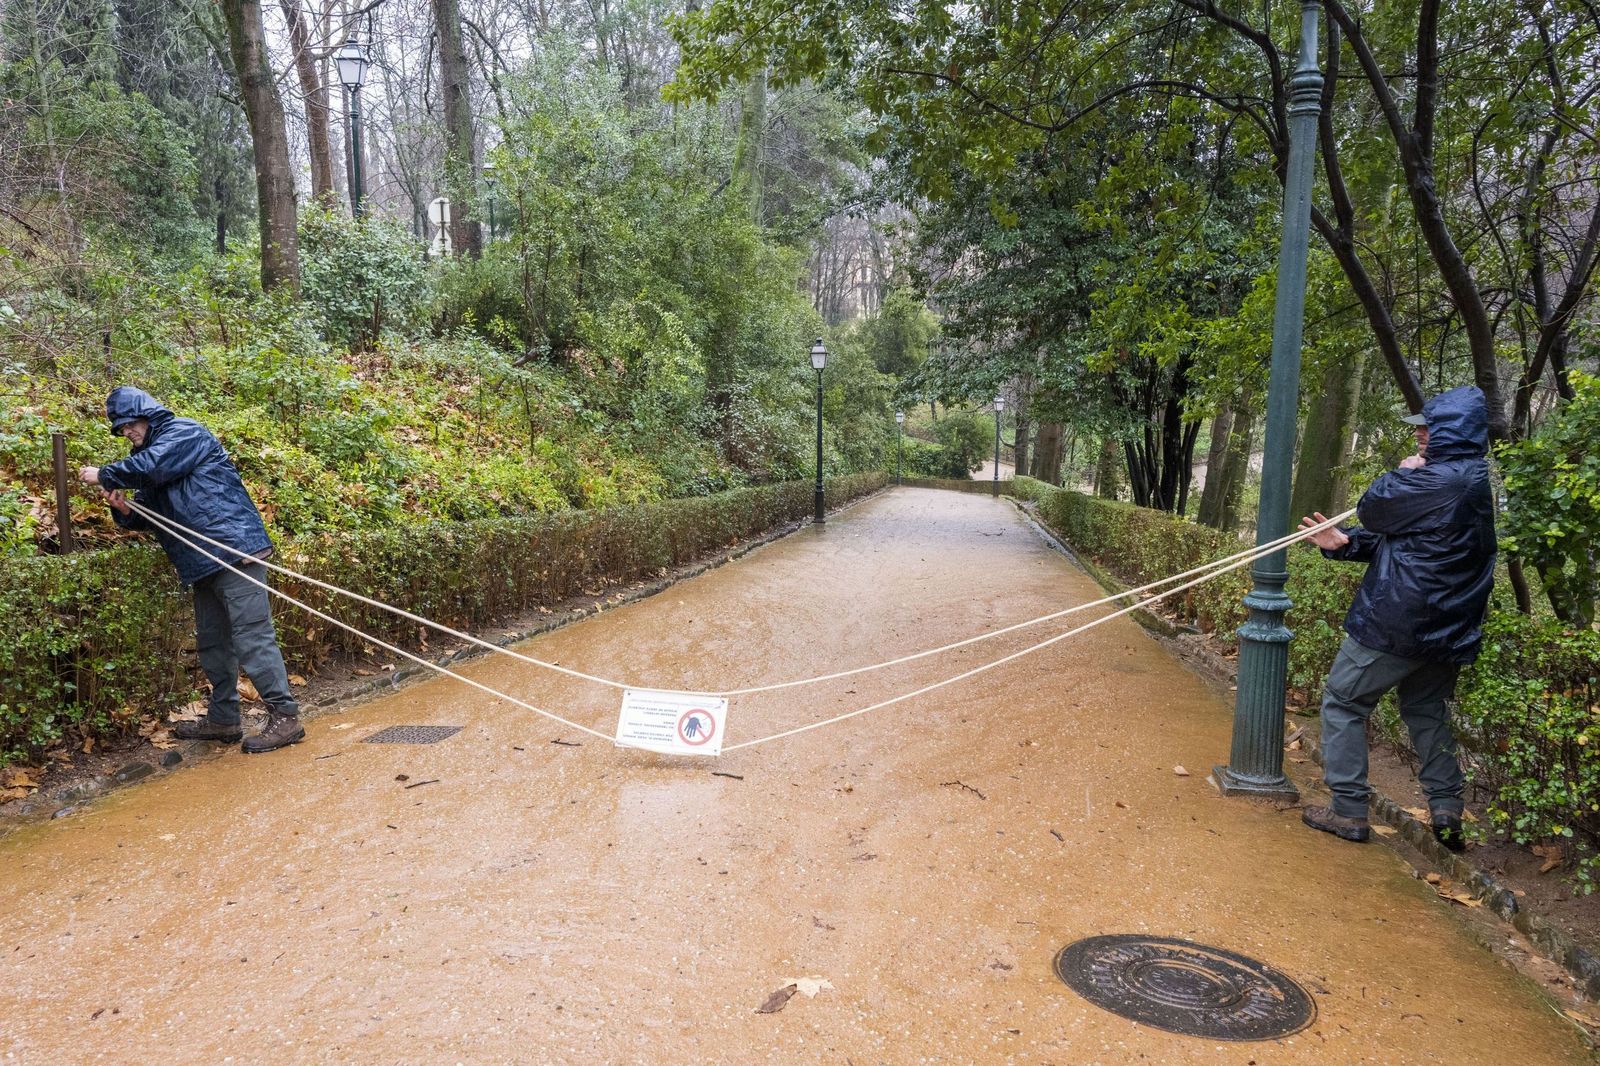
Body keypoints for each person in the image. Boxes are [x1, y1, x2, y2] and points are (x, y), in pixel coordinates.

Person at [1297, 385, 1497, 852]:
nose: (1420, 436)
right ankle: (1446, 809)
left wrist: (1402, 473)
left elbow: (1375, 507)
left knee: (1343, 703)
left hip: (1398, 622)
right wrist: (1344, 544)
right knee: (1426, 710)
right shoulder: (1471, 477)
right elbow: (1411, 545)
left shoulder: (1439, 478)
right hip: (1447, 629)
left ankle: (1347, 811)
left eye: (1428, 428)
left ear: (1452, 431)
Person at [78, 386, 304, 754]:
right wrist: (124, 510)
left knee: (252, 637)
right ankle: (224, 719)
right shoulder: (147, 456)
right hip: (201, 563)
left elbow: (151, 469)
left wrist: (105, 474)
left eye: (130, 424)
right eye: (120, 430)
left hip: (236, 552)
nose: (127, 433)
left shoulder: (184, 433)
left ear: (148, 415)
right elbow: (150, 513)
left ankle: (286, 717)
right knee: (213, 643)